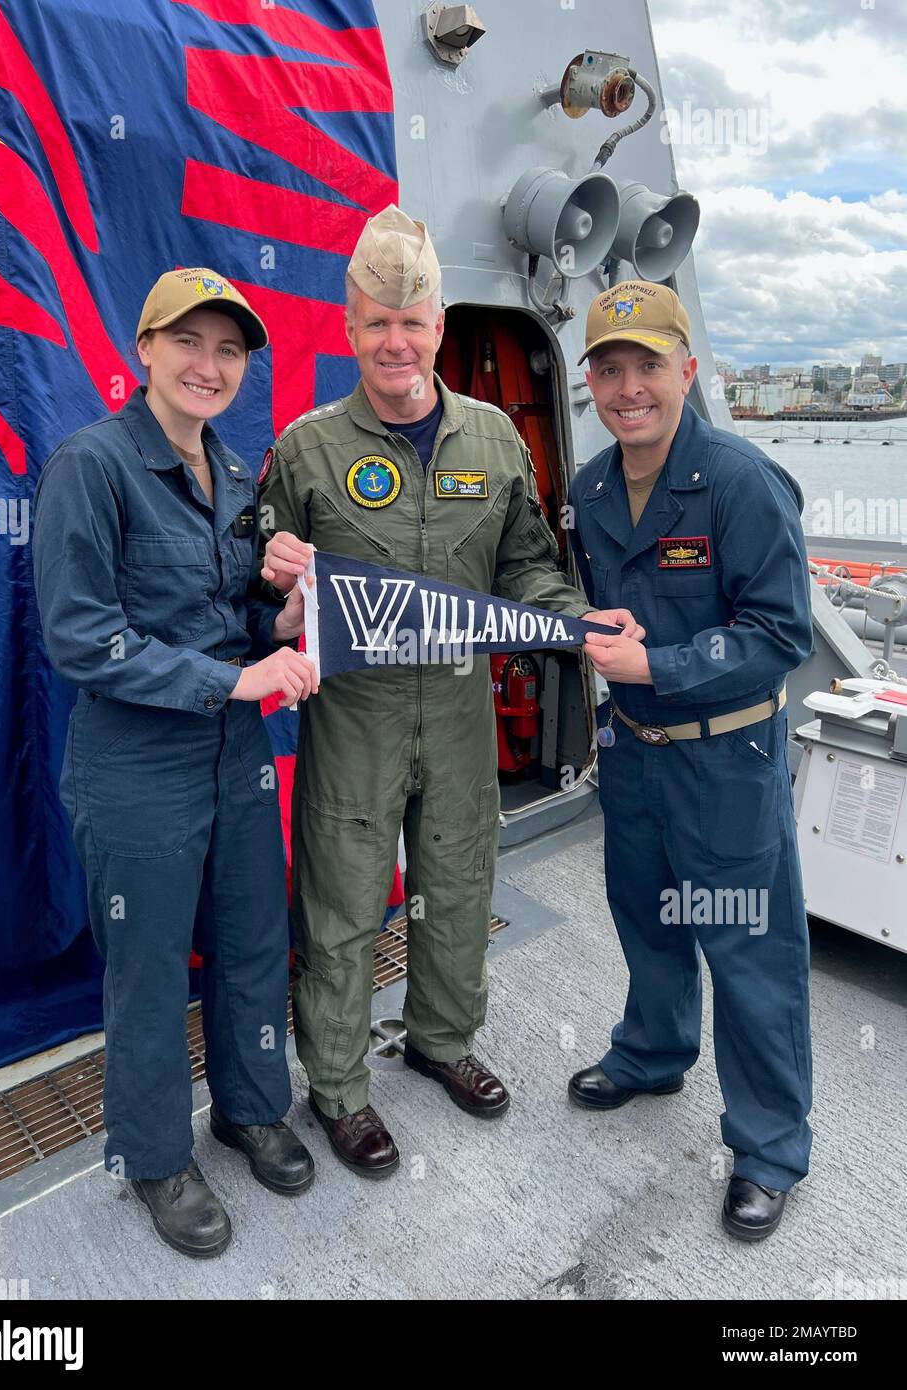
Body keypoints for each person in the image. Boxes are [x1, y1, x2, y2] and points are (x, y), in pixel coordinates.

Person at [259, 206, 638, 1177]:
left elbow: (528, 569)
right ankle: (339, 1089)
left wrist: (577, 621)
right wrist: (274, 591)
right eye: (377, 319)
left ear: (440, 324)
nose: (396, 338)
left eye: (414, 318)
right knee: (341, 904)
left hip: (462, 708)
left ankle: (440, 1039)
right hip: (354, 717)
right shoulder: (304, 451)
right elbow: (255, 595)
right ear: (349, 326)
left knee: (460, 886)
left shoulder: (494, 440)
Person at [32, 267, 320, 1257]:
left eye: (229, 350)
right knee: (149, 971)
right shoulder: (93, 465)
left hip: (235, 757)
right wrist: (234, 679)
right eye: (188, 343)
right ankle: (154, 1156)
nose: (209, 365)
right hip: (137, 765)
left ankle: (249, 1108)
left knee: (251, 941)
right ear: (143, 350)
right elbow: (80, 636)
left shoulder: (239, 480)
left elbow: (237, 613)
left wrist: (278, 619)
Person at [565, 278, 814, 1242]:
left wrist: (655, 661)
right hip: (631, 756)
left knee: (747, 952)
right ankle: (653, 1050)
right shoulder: (590, 487)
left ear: (686, 370)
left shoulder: (743, 483)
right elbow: (603, 607)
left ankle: (766, 1148)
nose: (629, 387)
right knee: (648, 918)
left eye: (648, 366)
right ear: (590, 380)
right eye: (609, 368)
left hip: (724, 764)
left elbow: (779, 633)